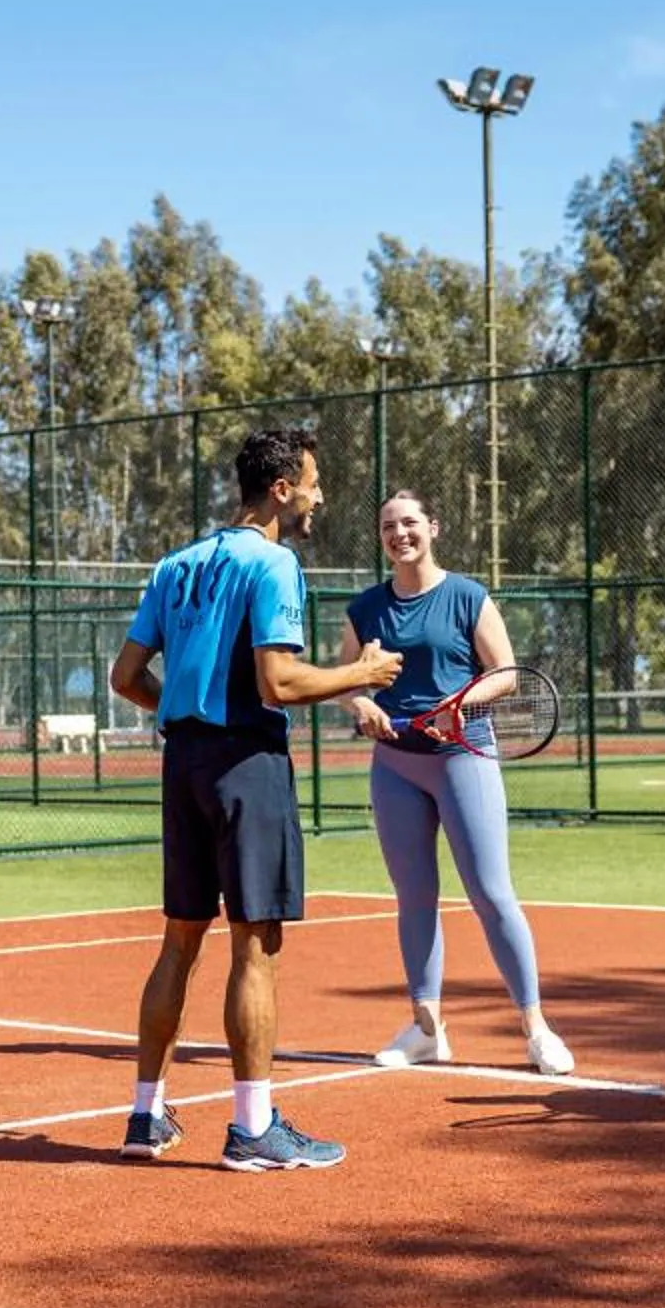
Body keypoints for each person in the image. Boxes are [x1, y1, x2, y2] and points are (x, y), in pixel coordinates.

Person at [107, 426, 403, 1172]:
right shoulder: (274, 563)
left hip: (186, 765)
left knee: (180, 939)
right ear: (281, 490)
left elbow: (125, 677)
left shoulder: (175, 565)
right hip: (247, 763)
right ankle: (252, 1128)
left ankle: (145, 1116)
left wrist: (186, 705)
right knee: (255, 944)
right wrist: (362, 675)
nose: (319, 495)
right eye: (313, 482)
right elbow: (280, 681)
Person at [335, 490, 574, 1076]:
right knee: (414, 897)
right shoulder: (364, 609)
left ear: (433, 528)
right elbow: (345, 679)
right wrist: (360, 703)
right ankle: (426, 1029)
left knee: (491, 895)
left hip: (464, 757)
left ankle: (536, 1028)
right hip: (395, 763)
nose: (400, 534)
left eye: (410, 522)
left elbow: (507, 674)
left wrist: (460, 702)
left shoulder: (467, 596)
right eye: (389, 525)